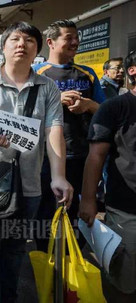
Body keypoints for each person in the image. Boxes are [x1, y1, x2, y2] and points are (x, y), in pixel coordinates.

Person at [0, 22, 73, 303]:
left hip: (29, 187)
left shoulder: (48, 88)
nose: (22, 45)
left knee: (14, 250)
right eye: (16, 40)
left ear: (38, 48)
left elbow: (53, 131)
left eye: (29, 41)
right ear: (5, 46)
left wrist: (58, 176)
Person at [33, 20, 105, 249]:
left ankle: (73, 258)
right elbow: (21, 113)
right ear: (51, 42)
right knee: (45, 211)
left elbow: (105, 111)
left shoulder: (88, 74)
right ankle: (46, 258)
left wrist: (88, 104)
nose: (75, 42)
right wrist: (56, 101)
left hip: (80, 155)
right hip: (44, 156)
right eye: (68, 37)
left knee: (78, 211)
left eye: (76, 37)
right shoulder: (35, 73)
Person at [79, 50, 136, 301]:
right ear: (134, 71)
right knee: (124, 281)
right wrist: (88, 200)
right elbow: (95, 158)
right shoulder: (115, 108)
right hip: (127, 211)